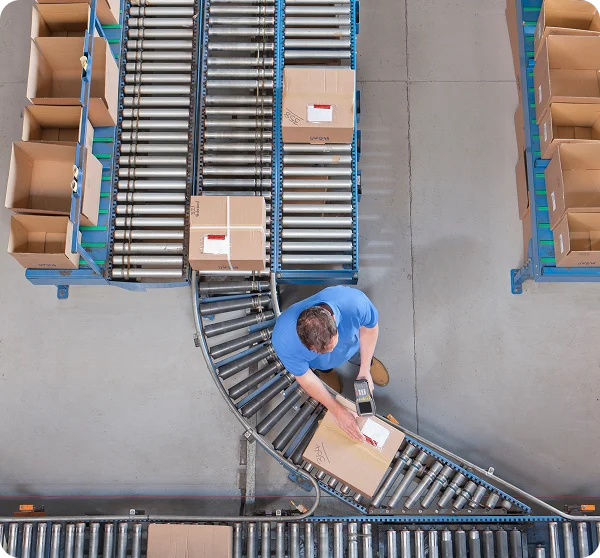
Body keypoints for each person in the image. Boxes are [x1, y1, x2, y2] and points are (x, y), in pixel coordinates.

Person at [271, 286, 389, 442]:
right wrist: (337, 410)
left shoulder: (354, 302)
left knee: (358, 356)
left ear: (333, 319)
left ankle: (366, 364)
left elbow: (370, 328)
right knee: (323, 364)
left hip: (352, 347)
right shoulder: (283, 340)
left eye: (331, 346)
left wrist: (365, 368)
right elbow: (305, 376)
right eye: (319, 351)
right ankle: (327, 371)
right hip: (320, 364)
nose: (329, 352)